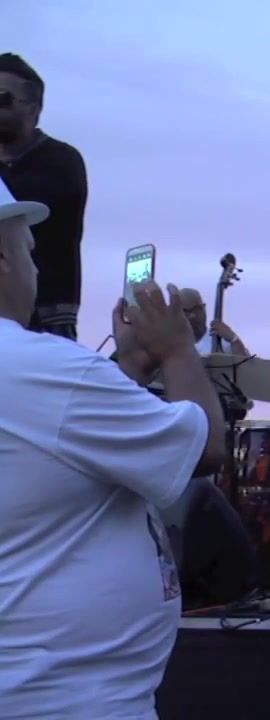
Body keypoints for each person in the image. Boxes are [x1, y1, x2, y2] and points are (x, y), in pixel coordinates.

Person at [0, 180, 226, 717]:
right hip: (65, 700)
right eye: (28, 252)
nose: (37, 270)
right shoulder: (40, 365)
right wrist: (177, 349)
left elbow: (53, 450)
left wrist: (128, 369)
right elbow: (204, 449)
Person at [0, 53, 88, 341]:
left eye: (2, 98)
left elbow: (21, 206)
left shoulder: (61, 161)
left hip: (48, 319)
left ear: (33, 108)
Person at [180, 287, 250, 355]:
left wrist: (234, 339)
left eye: (197, 309)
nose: (193, 315)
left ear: (204, 308)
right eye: (186, 311)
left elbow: (246, 362)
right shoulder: (174, 346)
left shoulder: (221, 342)